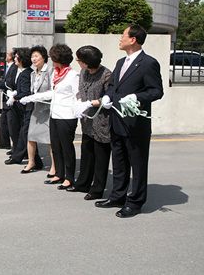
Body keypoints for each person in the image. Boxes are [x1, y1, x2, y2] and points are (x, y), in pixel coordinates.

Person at [95, 25, 163, 218]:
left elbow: (156, 91)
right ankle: (117, 195)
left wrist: (136, 97)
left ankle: (135, 202)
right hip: (117, 120)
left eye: (123, 36)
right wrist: (107, 97)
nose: (120, 39)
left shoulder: (148, 63)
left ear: (133, 39)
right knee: (118, 161)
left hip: (135, 124)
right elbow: (114, 86)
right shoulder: (120, 61)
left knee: (138, 164)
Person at [22, 44, 79, 188]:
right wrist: (33, 97)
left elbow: (77, 95)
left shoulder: (72, 75)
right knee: (56, 147)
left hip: (67, 116)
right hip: (55, 114)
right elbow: (53, 93)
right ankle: (59, 174)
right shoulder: (56, 74)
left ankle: (69, 177)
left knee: (66, 148)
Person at [69, 46, 112, 200]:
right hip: (87, 121)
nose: (77, 61)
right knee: (87, 152)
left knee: (101, 157)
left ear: (87, 62)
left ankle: (97, 189)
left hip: (101, 122)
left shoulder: (106, 75)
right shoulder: (83, 72)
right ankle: (83, 183)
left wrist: (90, 103)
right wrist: (80, 101)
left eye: (79, 59)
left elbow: (109, 98)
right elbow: (81, 89)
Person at [4, 47, 42, 169]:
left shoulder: (26, 74)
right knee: (26, 134)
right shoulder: (24, 72)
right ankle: (36, 161)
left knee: (24, 133)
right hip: (24, 108)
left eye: (16, 57)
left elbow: (25, 92)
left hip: (27, 108)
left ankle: (17, 157)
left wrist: (14, 97)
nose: (15, 58)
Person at [19, 46, 55, 175]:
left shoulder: (50, 71)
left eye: (36, 56)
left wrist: (37, 96)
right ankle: (31, 162)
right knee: (31, 136)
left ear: (44, 57)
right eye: (32, 56)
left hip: (46, 108)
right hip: (35, 108)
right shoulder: (33, 73)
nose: (33, 59)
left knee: (49, 139)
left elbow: (53, 91)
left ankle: (54, 166)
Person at [0, 48, 19, 151]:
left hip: (11, 98)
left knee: (11, 124)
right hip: (6, 98)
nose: (6, 56)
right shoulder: (9, 67)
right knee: (4, 122)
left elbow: (10, 83)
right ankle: (4, 143)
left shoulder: (14, 68)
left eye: (7, 54)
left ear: (10, 56)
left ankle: (15, 147)